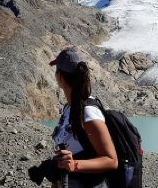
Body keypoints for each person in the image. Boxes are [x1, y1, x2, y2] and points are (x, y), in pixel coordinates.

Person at [50, 46, 118, 188]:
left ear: (60, 78)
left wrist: (75, 164)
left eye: (56, 71)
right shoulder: (70, 107)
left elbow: (111, 160)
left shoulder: (88, 113)